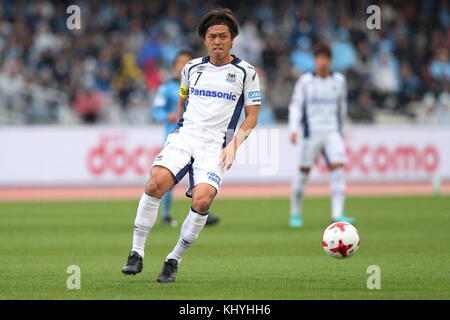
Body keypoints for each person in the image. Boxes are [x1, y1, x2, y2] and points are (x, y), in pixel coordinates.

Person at [121, 8, 261, 283]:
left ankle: (173, 259)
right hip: (184, 137)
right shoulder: (191, 69)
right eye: (212, 36)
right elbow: (183, 100)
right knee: (154, 185)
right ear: (204, 40)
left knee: (202, 199)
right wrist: (178, 126)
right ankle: (136, 252)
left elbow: (252, 116)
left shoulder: (246, 72)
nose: (217, 41)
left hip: (214, 146)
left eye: (223, 36)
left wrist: (234, 144)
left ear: (232, 39)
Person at [288, 42, 355, 228]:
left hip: (332, 132)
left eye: (325, 58)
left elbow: (342, 108)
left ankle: (337, 213)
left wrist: (342, 132)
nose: (322, 62)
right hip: (312, 134)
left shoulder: (339, 81)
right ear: (315, 60)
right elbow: (295, 106)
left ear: (330, 61)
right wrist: (293, 129)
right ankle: (295, 213)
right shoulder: (306, 81)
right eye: (319, 58)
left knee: (338, 170)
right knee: (303, 173)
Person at [151, 49, 220, 227]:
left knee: (200, 176)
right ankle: (166, 214)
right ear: (174, 66)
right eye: (180, 62)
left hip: (199, 136)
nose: (183, 66)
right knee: (168, 177)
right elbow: (156, 111)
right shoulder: (166, 88)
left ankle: (200, 212)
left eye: (187, 62)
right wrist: (167, 116)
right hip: (174, 136)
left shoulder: (201, 87)